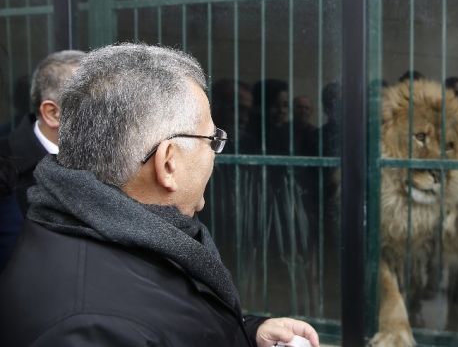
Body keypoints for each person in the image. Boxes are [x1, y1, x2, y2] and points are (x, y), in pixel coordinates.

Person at [0, 44, 319, 347]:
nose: (215, 154)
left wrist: (248, 332)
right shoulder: (92, 329)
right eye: (211, 140)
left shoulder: (109, 230)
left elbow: (169, 319)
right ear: (168, 162)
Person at [0, 50, 85, 216]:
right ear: (53, 113)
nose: (111, 114)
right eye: (97, 105)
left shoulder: (119, 159)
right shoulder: (5, 168)